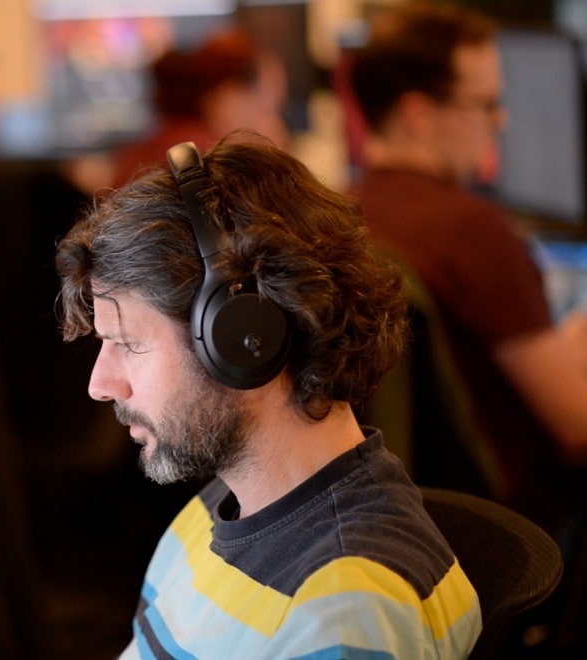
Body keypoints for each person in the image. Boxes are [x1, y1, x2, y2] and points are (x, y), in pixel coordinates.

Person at [55, 133, 480, 657]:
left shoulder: (342, 618)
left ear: (242, 340)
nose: (101, 385)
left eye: (128, 343)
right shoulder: (223, 503)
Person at [348, 1, 587, 535]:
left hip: (399, 531)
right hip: (505, 540)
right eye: (486, 104)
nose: (499, 121)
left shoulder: (336, 213)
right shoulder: (474, 233)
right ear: (418, 114)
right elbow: (576, 426)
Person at [111, 28, 290, 187]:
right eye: (268, 107)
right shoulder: (205, 163)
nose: (274, 121)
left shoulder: (176, 138)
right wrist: (272, 164)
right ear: (231, 99)